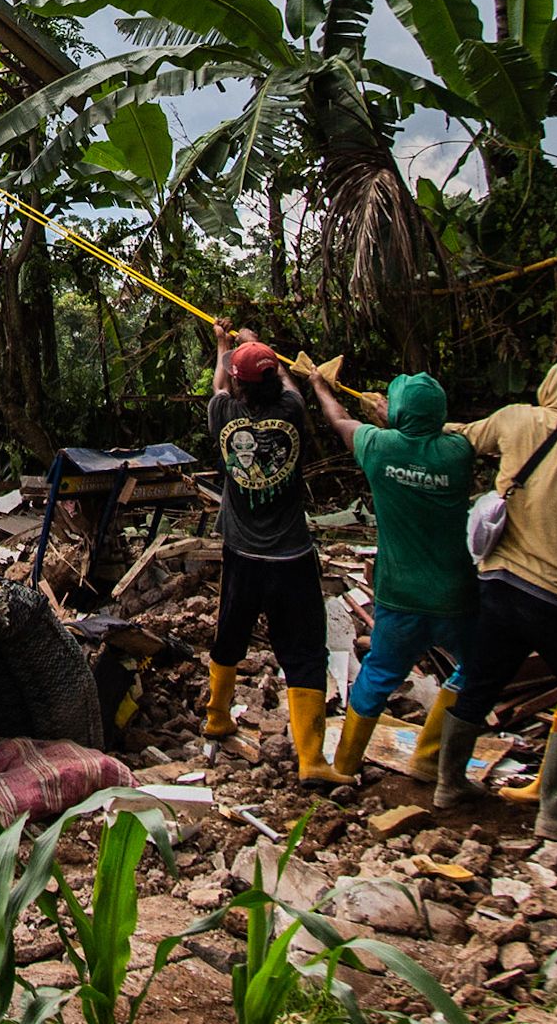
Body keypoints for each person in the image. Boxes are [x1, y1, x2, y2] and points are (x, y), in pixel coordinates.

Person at [428, 356, 557, 849]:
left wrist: (406, 420)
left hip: (497, 583)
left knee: (478, 682)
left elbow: (463, 437)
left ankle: (448, 783)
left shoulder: (515, 419)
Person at [306, 368, 476, 787]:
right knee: (475, 670)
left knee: (378, 676)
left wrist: (319, 386)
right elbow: (430, 435)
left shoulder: (379, 448)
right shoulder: (458, 453)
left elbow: (340, 420)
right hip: (455, 595)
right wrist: (395, 417)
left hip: (399, 594)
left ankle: (345, 765)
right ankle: (430, 755)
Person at [201, 324, 337, 783]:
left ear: (239, 385)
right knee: (302, 649)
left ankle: (217, 717)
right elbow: (291, 385)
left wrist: (224, 345)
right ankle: (312, 758)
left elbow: (219, 385)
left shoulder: (223, 412)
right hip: (291, 554)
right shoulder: (293, 409)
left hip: (242, 552)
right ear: (275, 378)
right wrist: (259, 347)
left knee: (230, 633)